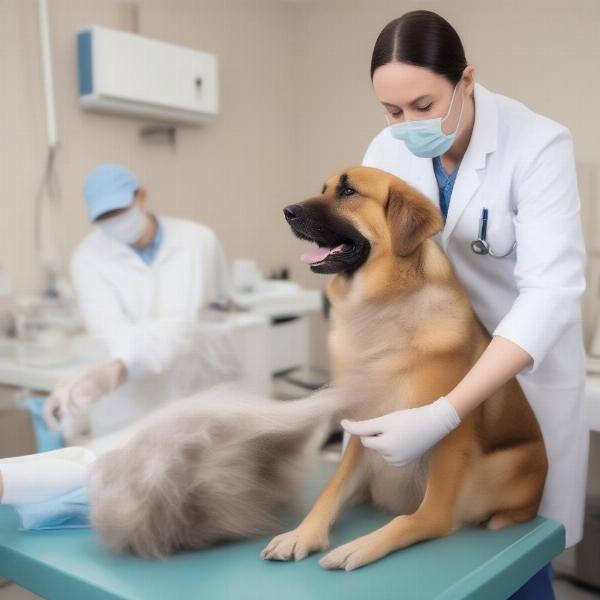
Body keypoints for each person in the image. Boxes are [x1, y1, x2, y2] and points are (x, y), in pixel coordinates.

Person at [340, 10, 587, 598]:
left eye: (423, 106)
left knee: (514, 555)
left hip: (518, 376)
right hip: (431, 361)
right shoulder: (388, 147)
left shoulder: (538, 145)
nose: (406, 125)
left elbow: (550, 294)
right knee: (444, 562)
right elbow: (379, 257)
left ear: (467, 81)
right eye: (392, 111)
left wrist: (446, 411)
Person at [43, 164, 240, 440]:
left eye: (120, 211)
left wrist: (116, 370)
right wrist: (107, 374)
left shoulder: (198, 240)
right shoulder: (87, 258)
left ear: (141, 196)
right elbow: (112, 331)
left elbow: (214, 306)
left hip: (197, 391)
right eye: (105, 216)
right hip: (128, 409)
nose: (115, 221)